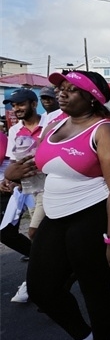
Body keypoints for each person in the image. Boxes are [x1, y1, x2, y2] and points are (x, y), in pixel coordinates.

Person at [6, 70, 110, 340]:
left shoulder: (106, 131)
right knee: (41, 289)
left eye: (71, 89)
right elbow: (44, 163)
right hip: (56, 214)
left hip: (96, 215)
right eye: (60, 87)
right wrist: (13, 173)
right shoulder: (55, 124)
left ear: (92, 98)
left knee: (95, 290)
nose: (61, 93)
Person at [2, 88, 48, 302]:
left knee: (34, 232)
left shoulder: (49, 124)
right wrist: (10, 179)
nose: (16, 109)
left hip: (49, 186)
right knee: (43, 235)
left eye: (20, 104)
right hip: (27, 189)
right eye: (13, 105)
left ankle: (33, 282)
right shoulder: (14, 131)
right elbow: (13, 161)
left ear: (33, 104)